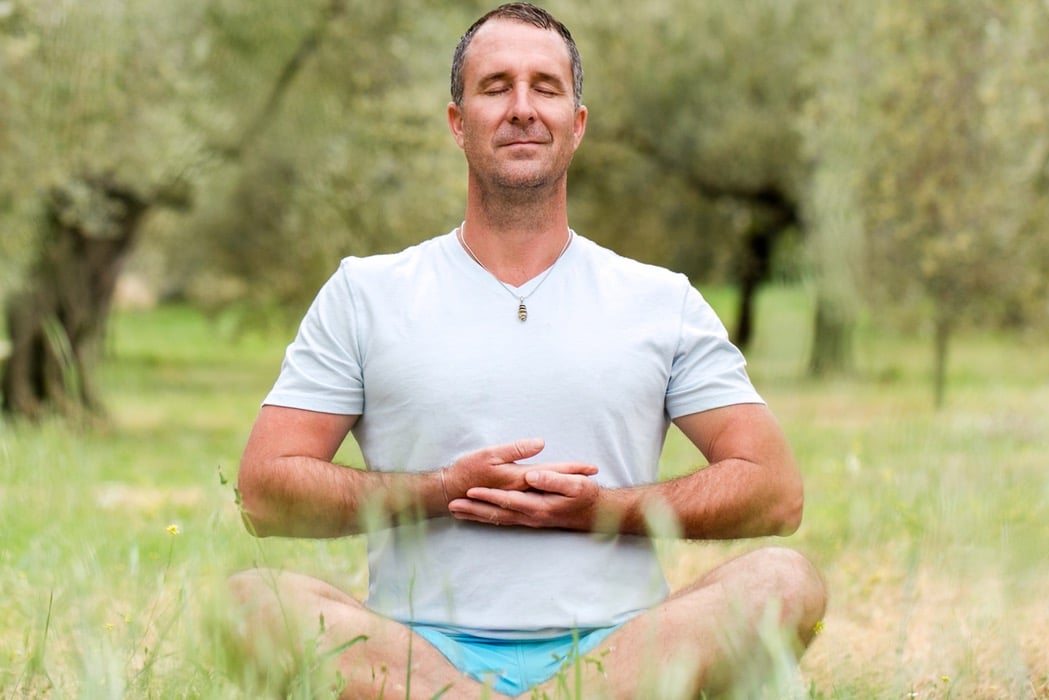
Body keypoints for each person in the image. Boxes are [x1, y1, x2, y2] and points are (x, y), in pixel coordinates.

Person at [225, 3, 827, 698]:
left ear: (577, 123)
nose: (521, 108)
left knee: (786, 579)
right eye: (494, 87)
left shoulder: (660, 299)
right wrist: (440, 492)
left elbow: (775, 491)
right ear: (458, 122)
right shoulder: (365, 292)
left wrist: (604, 511)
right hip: (416, 664)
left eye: (545, 87)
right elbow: (263, 493)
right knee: (249, 602)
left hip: (617, 663)